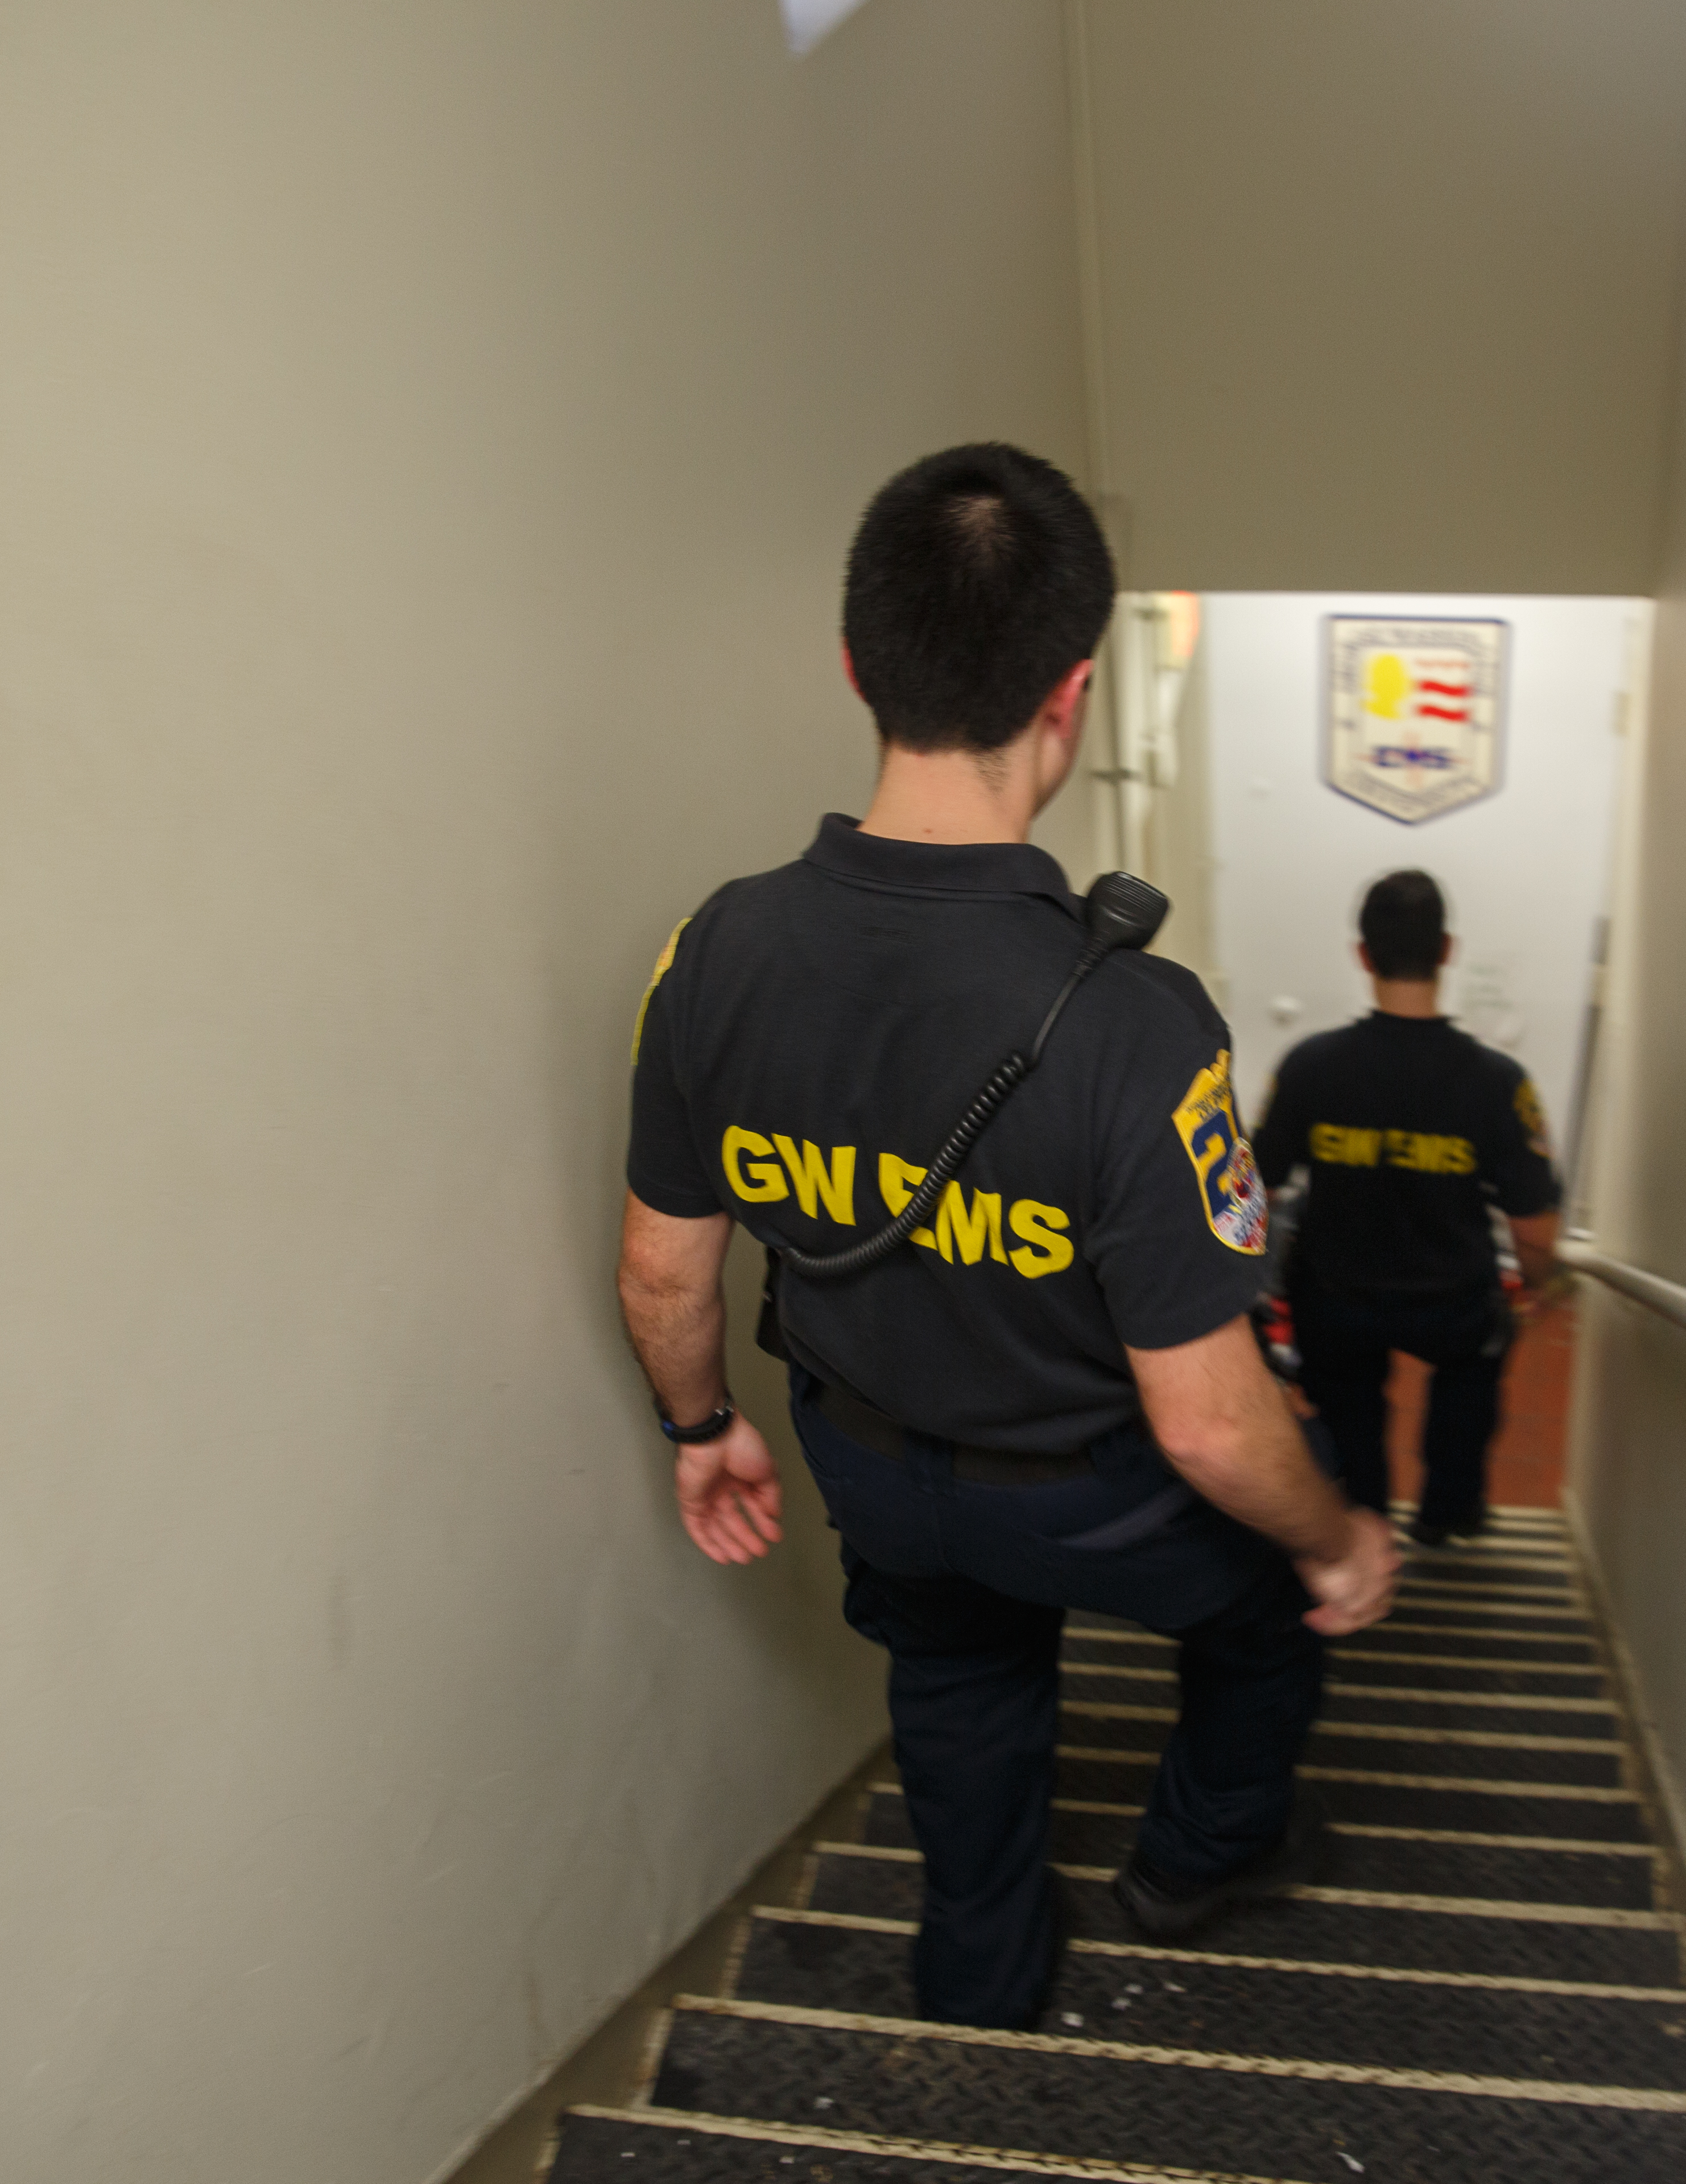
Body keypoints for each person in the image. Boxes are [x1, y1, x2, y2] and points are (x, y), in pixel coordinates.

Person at [614, 443, 1400, 2034]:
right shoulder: (1133, 1017)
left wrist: (702, 1431)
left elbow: (663, 1267)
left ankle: (980, 1968)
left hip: (876, 1466)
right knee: (1265, 1622)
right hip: (1103, 1495)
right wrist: (1334, 1541)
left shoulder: (717, 948)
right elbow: (1208, 1415)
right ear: (1074, 691)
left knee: (961, 1679)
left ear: (856, 664)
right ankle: (1192, 1865)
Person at [1249, 871, 1563, 1546]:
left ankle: (1362, 1521)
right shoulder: (1499, 1083)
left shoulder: (1309, 1066)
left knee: (1347, 1415)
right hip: (1453, 1294)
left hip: (1335, 1293)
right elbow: (1533, 1223)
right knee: (1467, 1398)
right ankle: (1447, 1518)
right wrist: (1535, 1286)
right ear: (1447, 950)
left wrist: (1249, 1291)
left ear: (1363, 954)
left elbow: (1253, 1189)